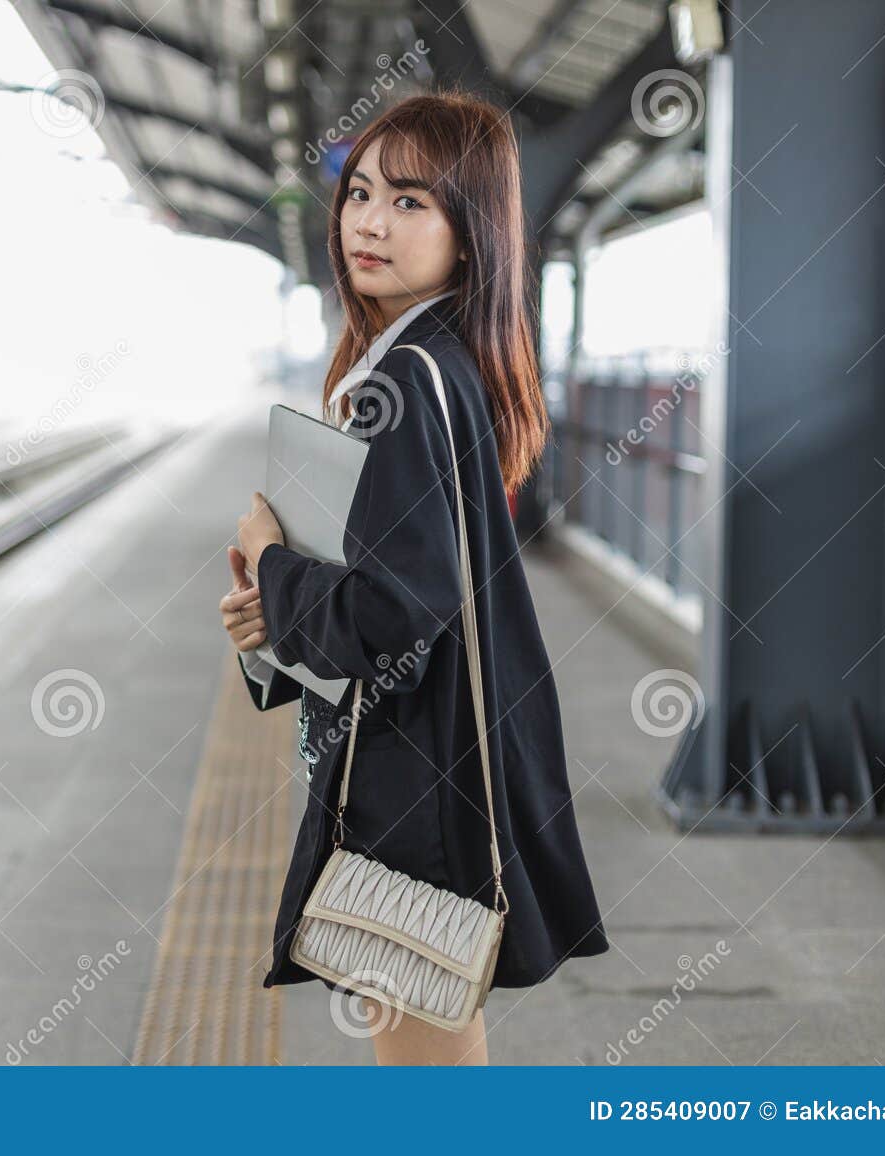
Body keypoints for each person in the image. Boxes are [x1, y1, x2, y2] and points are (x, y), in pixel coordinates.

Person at [218, 89, 608, 1066]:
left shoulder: (401, 383)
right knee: (432, 1029)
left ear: (469, 232)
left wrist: (271, 563)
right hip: (445, 750)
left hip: (421, 768)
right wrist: (273, 611)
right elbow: (398, 578)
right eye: (358, 194)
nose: (369, 222)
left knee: (422, 1055)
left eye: (409, 202)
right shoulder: (439, 363)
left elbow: (398, 606)